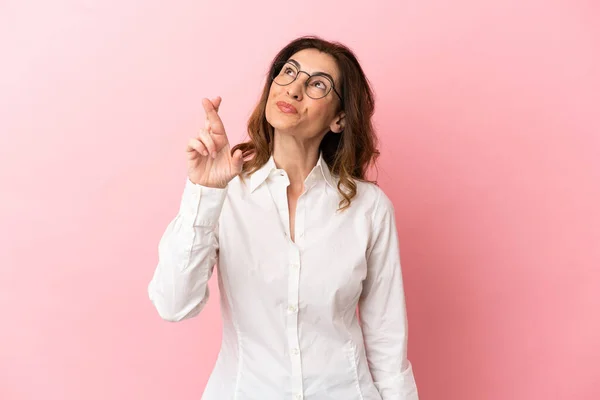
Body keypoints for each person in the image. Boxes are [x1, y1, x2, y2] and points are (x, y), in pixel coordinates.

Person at [148, 35, 419, 400]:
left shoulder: (369, 208)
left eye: (317, 84)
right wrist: (205, 192)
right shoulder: (225, 192)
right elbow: (174, 304)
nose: (294, 89)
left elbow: (387, 341)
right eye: (288, 73)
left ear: (340, 118)